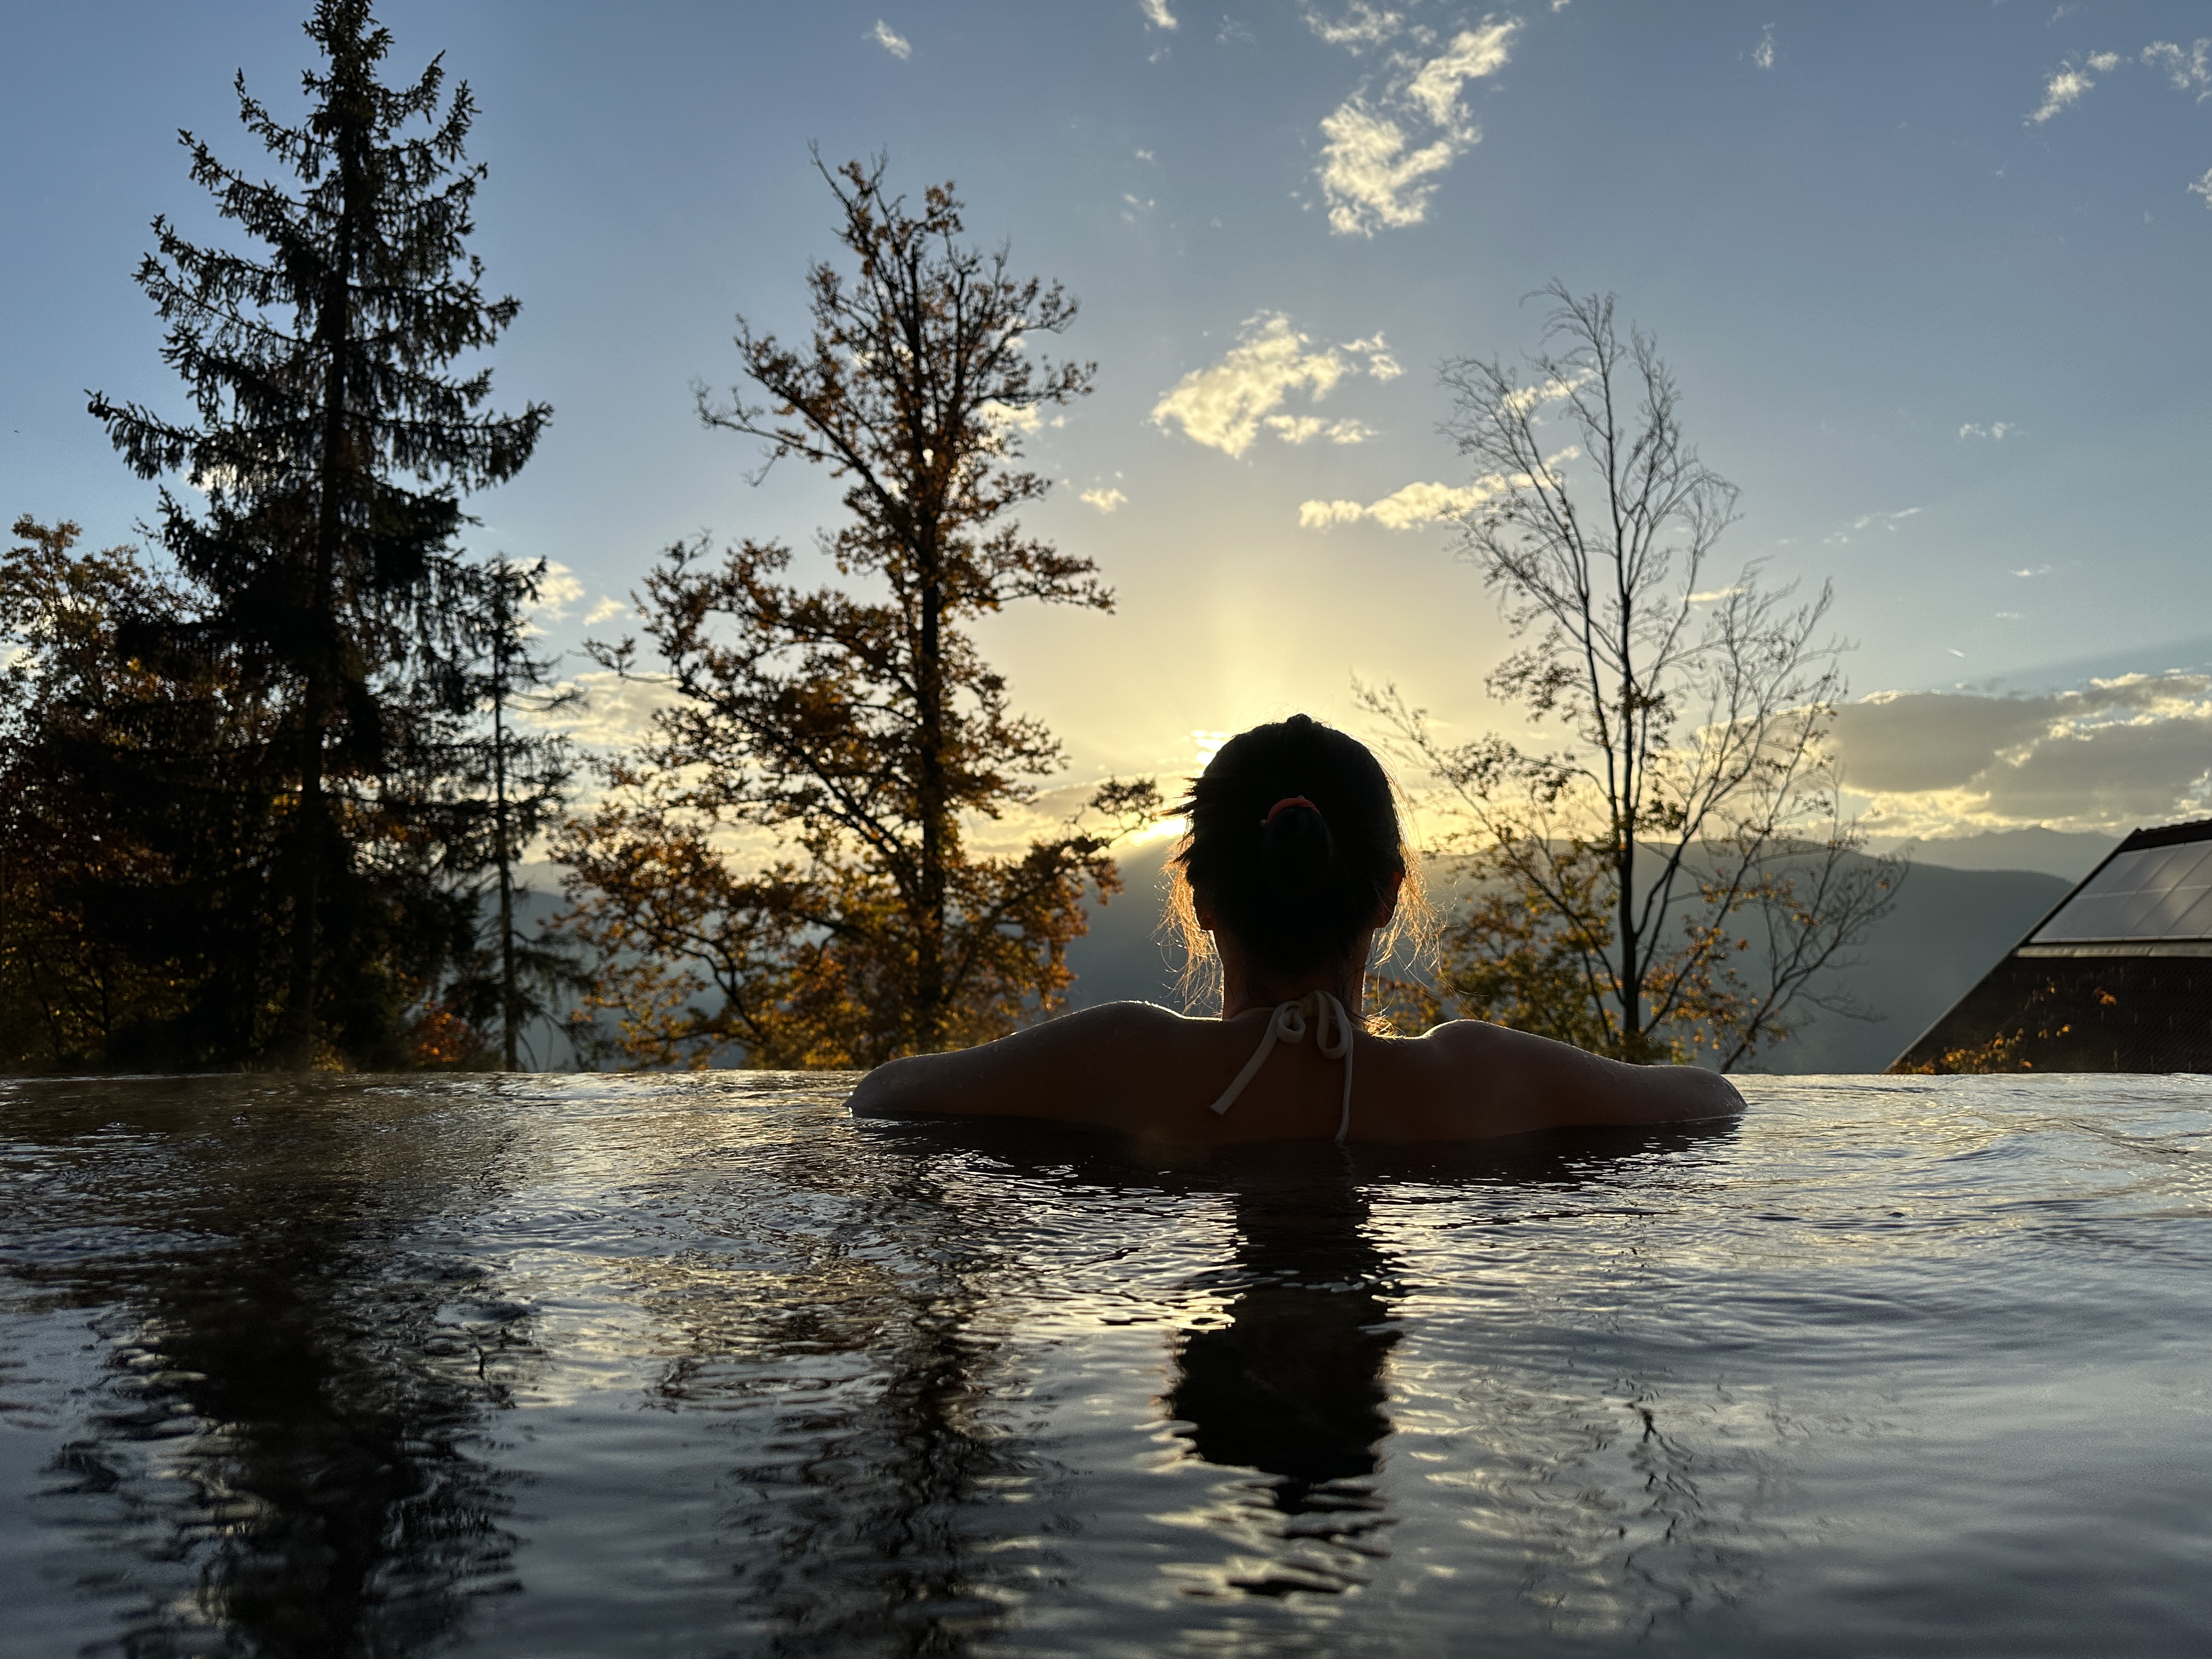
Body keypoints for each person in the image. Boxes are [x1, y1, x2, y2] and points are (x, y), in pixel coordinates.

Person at [848, 714, 1742, 1142]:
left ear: (1201, 900)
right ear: (1389, 895)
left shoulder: (1122, 1060)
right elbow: (1713, 1100)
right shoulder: (1480, 1079)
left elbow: (885, 1096)